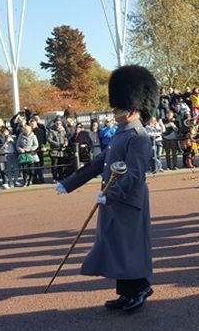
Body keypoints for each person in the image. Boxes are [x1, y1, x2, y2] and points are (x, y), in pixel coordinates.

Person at [56, 65, 159, 313]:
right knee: (117, 247)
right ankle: (126, 292)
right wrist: (69, 183)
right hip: (114, 199)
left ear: (133, 108)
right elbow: (99, 162)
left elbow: (134, 175)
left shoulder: (139, 136)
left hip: (127, 200)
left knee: (129, 247)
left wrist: (109, 194)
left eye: (119, 108)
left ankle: (140, 289)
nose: (115, 112)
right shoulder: (121, 133)